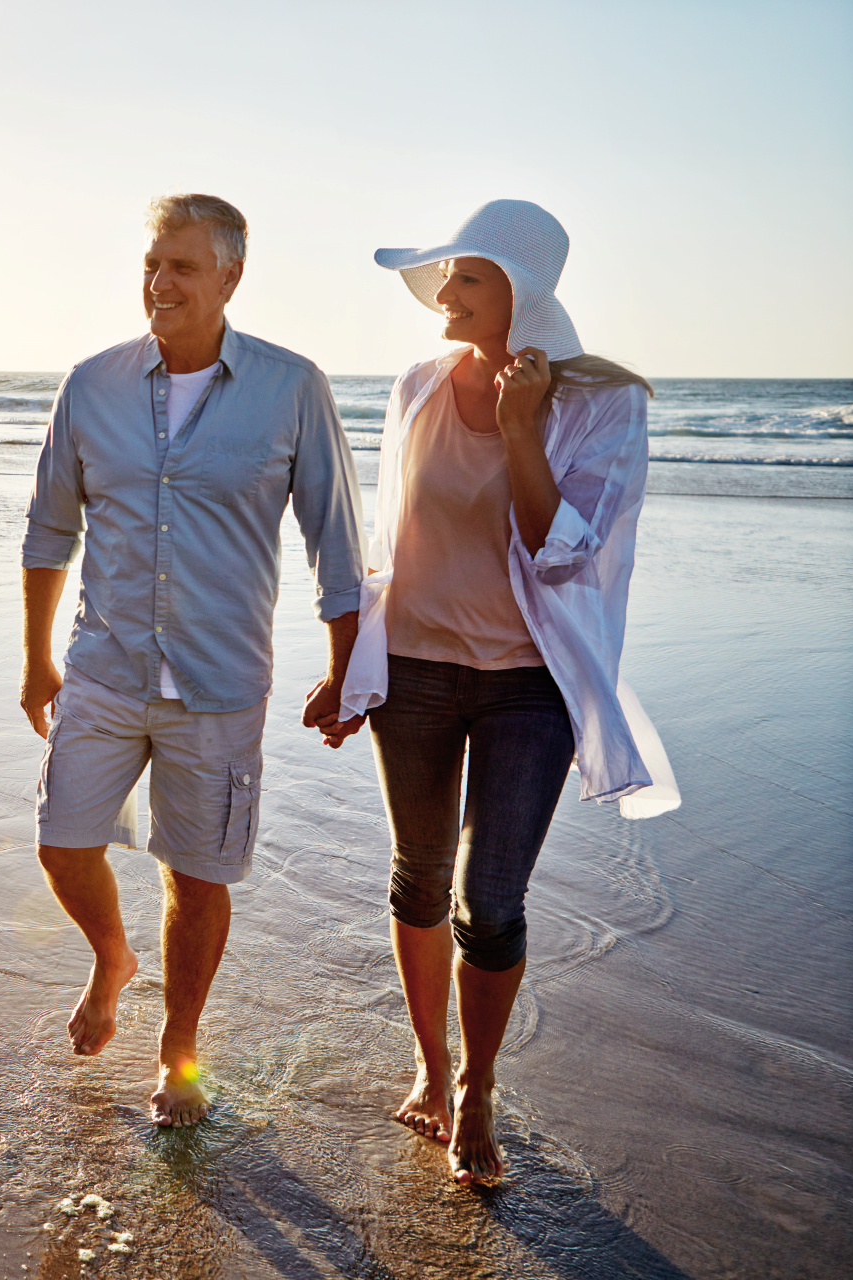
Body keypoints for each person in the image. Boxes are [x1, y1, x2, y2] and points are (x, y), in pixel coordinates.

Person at [336, 199, 680, 1184]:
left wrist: (524, 429)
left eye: (467, 276)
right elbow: (387, 544)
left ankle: (481, 1084)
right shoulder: (416, 387)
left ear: (519, 295)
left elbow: (565, 556)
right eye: (445, 273)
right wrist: (349, 665)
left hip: (529, 682)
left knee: (489, 899)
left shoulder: (607, 406)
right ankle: (432, 1068)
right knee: (417, 876)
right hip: (413, 672)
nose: (444, 291)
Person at [20, 194, 365, 1127]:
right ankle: (111, 957)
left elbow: (336, 538)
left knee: (198, 877)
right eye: (150, 264)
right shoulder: (91, 384)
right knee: (62, 843)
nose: (159, 282)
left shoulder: (292, 387)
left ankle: (179, 1056)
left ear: (230, 277)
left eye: (180, 266)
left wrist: (347, 670)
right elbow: (50, 531)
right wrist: (35, 660)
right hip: (103, 666)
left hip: (218, 683)